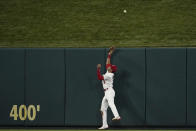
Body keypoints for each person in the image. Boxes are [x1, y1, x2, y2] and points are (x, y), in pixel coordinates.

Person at [97, 46, 121, 130]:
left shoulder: (110, 75)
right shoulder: (108, 71)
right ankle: (105, 125)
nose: (109, 66)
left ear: (112, 70)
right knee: (103, 109)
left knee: (111, 104)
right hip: (106, 93)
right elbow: (107, 63)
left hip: (110, 92)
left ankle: (117, 116)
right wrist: (109, 54)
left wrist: (98, 69)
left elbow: (100, 77)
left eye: (111, 67)